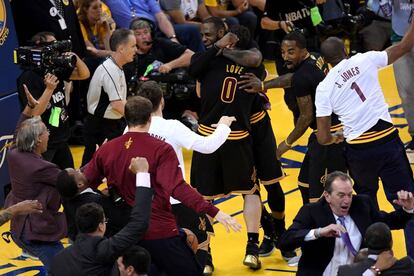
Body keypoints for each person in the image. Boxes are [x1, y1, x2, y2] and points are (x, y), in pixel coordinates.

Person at [83, 96, 241, 275]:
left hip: (123, 233)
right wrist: (214, 212)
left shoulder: (107, 149)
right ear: (150, 118)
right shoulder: (162, 149)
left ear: (125, 118)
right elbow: (177, 188)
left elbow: (86, 185)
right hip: (158, 230)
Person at [315, 17, 414, 258]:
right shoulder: (365, 59)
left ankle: (376, 257)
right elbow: (403, 47)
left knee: (367, 205)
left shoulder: (325, 87)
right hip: (387, 142)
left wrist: (336, 137)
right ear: (346, 50)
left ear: (325, 62)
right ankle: (411, 259)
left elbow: (323, 136)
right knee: (407, 201)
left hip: (358, 152)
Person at [134, 80, 233, 269]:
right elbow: (207, 146)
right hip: (175, 200)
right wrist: (224, 125)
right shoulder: (172, 127)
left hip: (144, 203)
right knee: (197, 244)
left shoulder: (129, 129)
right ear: (162, 101)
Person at [189, 25, 265, 270]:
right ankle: (241, 249)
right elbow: (256, 60)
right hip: (227, 135)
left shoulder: (216, 60)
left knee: (207, 196)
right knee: (248, 192)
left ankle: (214, 254)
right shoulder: (246, 64)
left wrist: (220, 50)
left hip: (218, 135)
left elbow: (195, 66)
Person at [278, 171, 414, 276]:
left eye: (349, 194)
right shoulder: (312, 211)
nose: (347, 200)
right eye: (341, 195)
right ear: (327, 196)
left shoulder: (362, 205)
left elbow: (389, 222)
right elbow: (285, 241)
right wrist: (319, 232)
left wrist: (408, 208)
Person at [50, 157, 152, 276]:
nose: (80, 170)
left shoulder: (58, 260)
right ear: (101, 226)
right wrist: (142, 175)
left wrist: (98, 156)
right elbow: (134, 222)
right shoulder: (106, 251)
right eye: (77, 172)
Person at [5, 89, 68, 271]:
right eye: (46, 131)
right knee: (61, 269)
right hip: (36, 231)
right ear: (39, 140)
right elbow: (70, 182)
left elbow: (19, 128)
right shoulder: (42, 168)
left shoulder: (15, 152)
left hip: (19, 227)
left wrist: (30, 107)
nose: (48, 133)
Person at [17, 32, 90, 169]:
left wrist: (74, 57)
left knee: (68, 181)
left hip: (61, 138)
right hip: (43, 143)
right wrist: (49, 89)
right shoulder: (29, 77)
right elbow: (35, 112)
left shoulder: (55, 69)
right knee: (48, 184)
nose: (57, 50)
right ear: (39, 48)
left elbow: (84, 74)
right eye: (53, 46)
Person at [81, 28, 136, 166]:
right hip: (100, 126)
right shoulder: (109, 70)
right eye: (133, 46)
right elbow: (117, 105)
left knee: (114, 165)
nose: (136, 50)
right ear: (121, 49)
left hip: (111, 123)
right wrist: (138, 121)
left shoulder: (117, 66)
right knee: (91, 168)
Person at [124, 18, 197, 120]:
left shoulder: (161, 44)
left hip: (169, 101)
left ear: (152, 33)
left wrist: (170, 65)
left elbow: (191, 56)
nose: (144, 37)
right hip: (142, 104)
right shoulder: (130, 54)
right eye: (138, 34)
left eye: (146, 32)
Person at [102, 0, 205, 52]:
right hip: (132, 32)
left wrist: (172, 37)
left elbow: (160, 17)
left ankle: (201, 67)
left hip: (155, 28)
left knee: (192, 30)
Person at [55, 168, 119, 241]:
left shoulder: (68, 199)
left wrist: (100, 193)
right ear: (80, 184)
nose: (79, 170)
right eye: (76, 172)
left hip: (79, 241)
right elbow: (118, 218)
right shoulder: (97, 201)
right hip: (105, 242)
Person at [11, 0, 86, 58]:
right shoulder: (22, 2)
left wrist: (82, 53)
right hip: (50, 65)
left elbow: (75, 24)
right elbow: (21, 36)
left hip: (75, 60)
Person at [338, 222, 414, 276]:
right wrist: (376, 268)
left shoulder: (346, 271)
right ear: (391, 242)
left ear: (365, 241)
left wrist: (373, 271)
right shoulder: (406, 266)